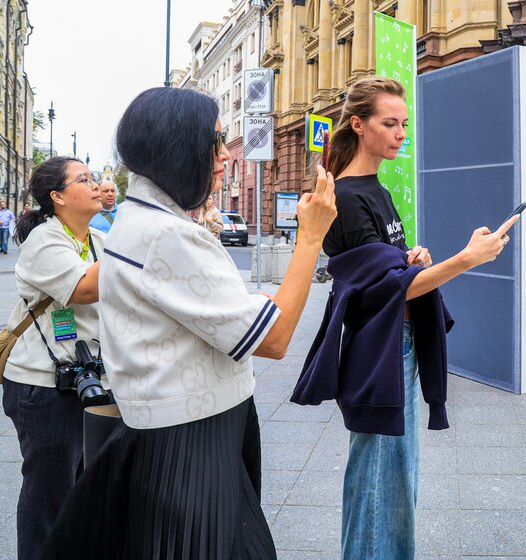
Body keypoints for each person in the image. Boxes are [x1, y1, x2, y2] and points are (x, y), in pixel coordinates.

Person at [42, 87, 337, 559]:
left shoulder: (138, 218)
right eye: (215, 142)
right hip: (192, 442)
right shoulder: (169, 234)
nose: (223, 156)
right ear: (180, 147)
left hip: (176, 433)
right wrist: (311, 238)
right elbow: (276, 339)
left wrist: (248, 303)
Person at [290, 77, 517, 560]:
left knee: (394, 479)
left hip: (398, 340)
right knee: (380, 480)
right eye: (389, 123)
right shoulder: (349, 197)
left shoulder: (376, 188)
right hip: (382, 347)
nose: (400, 134)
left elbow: (390, 273)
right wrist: (466, 259)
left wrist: (410, 259)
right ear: (358, 124)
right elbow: (379, 291)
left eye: (404, 124)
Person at [1, 157, 107, 560]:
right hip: (43, 388)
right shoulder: (45, 240)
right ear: (58, 197)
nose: (96, 184)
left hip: (87, 379)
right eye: (84, 179)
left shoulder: (97, 238)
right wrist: (138, 239)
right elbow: (82, 288)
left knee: (82, 489)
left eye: (93, 177)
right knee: (49, 495)